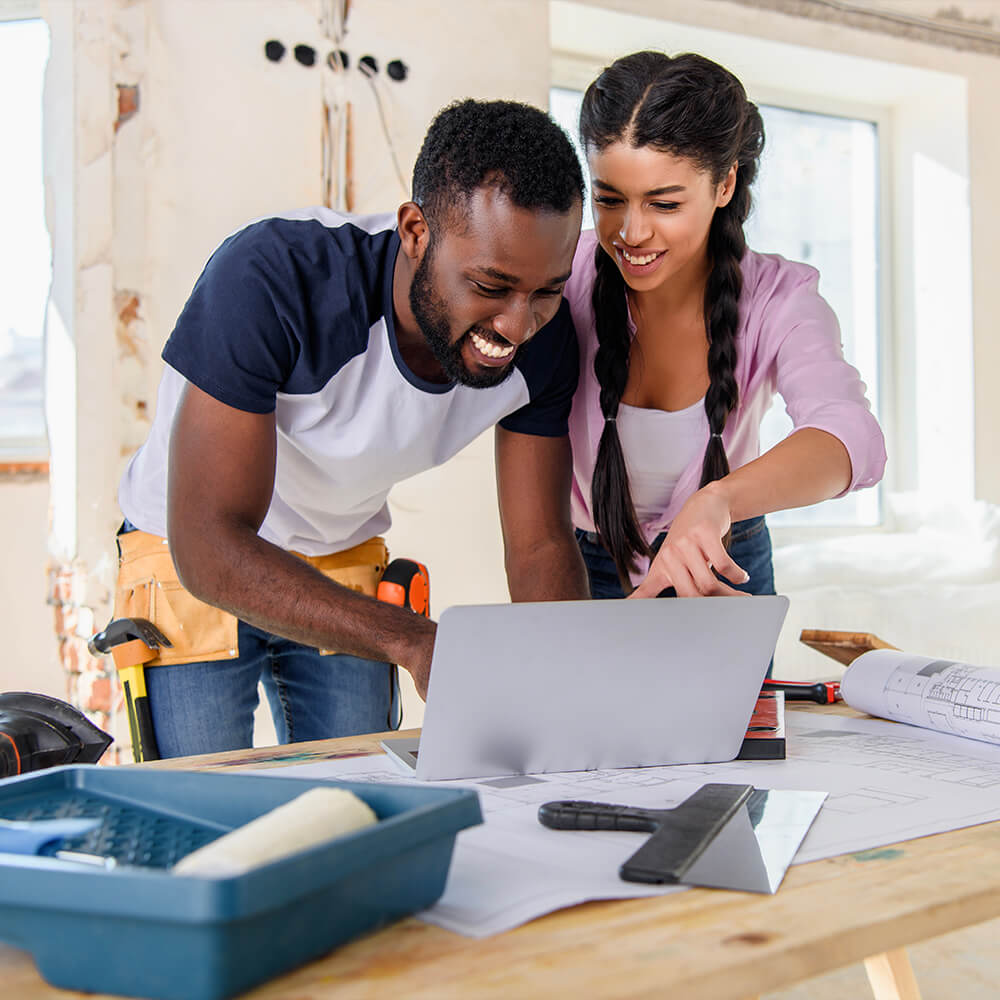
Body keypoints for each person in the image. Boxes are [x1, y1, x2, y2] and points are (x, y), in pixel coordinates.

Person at [114, 98, 590, 758]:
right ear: (416, 232)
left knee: (358, 803)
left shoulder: (546, 339)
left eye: (546, 290)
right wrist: (413, 639)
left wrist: (569, 690)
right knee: (201, 803)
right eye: (490, 284)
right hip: (186, 550)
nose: (517, 325)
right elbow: (210, 541)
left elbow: (540, 544)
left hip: (339, 549)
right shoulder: (271, 279)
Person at [565, 51, 887, 600]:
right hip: (585, 560)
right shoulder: (563, 274)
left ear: (724, 185)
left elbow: (853, 440)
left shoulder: (781, 298)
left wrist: (720, 500)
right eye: (609, 200)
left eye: (664, 203)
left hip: (724, 559)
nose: (631, 232)